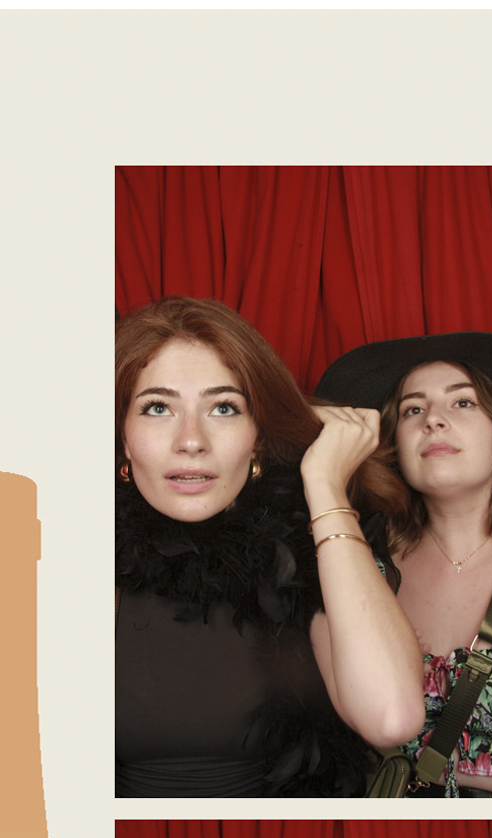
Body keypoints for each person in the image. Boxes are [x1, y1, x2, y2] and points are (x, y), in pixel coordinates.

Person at [116, 297, 424, 796]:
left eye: (223, 408)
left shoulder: (308, 546)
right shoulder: (60, 546)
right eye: (158, 408)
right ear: (124, 437)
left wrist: (325, 485)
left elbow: (392, 717)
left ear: (258, 436)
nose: (191, 440)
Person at [316, 338, 492, 797]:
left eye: (462, 402)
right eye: (413, 410)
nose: (433, 419)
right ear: (393, 443)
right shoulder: (351, 565)